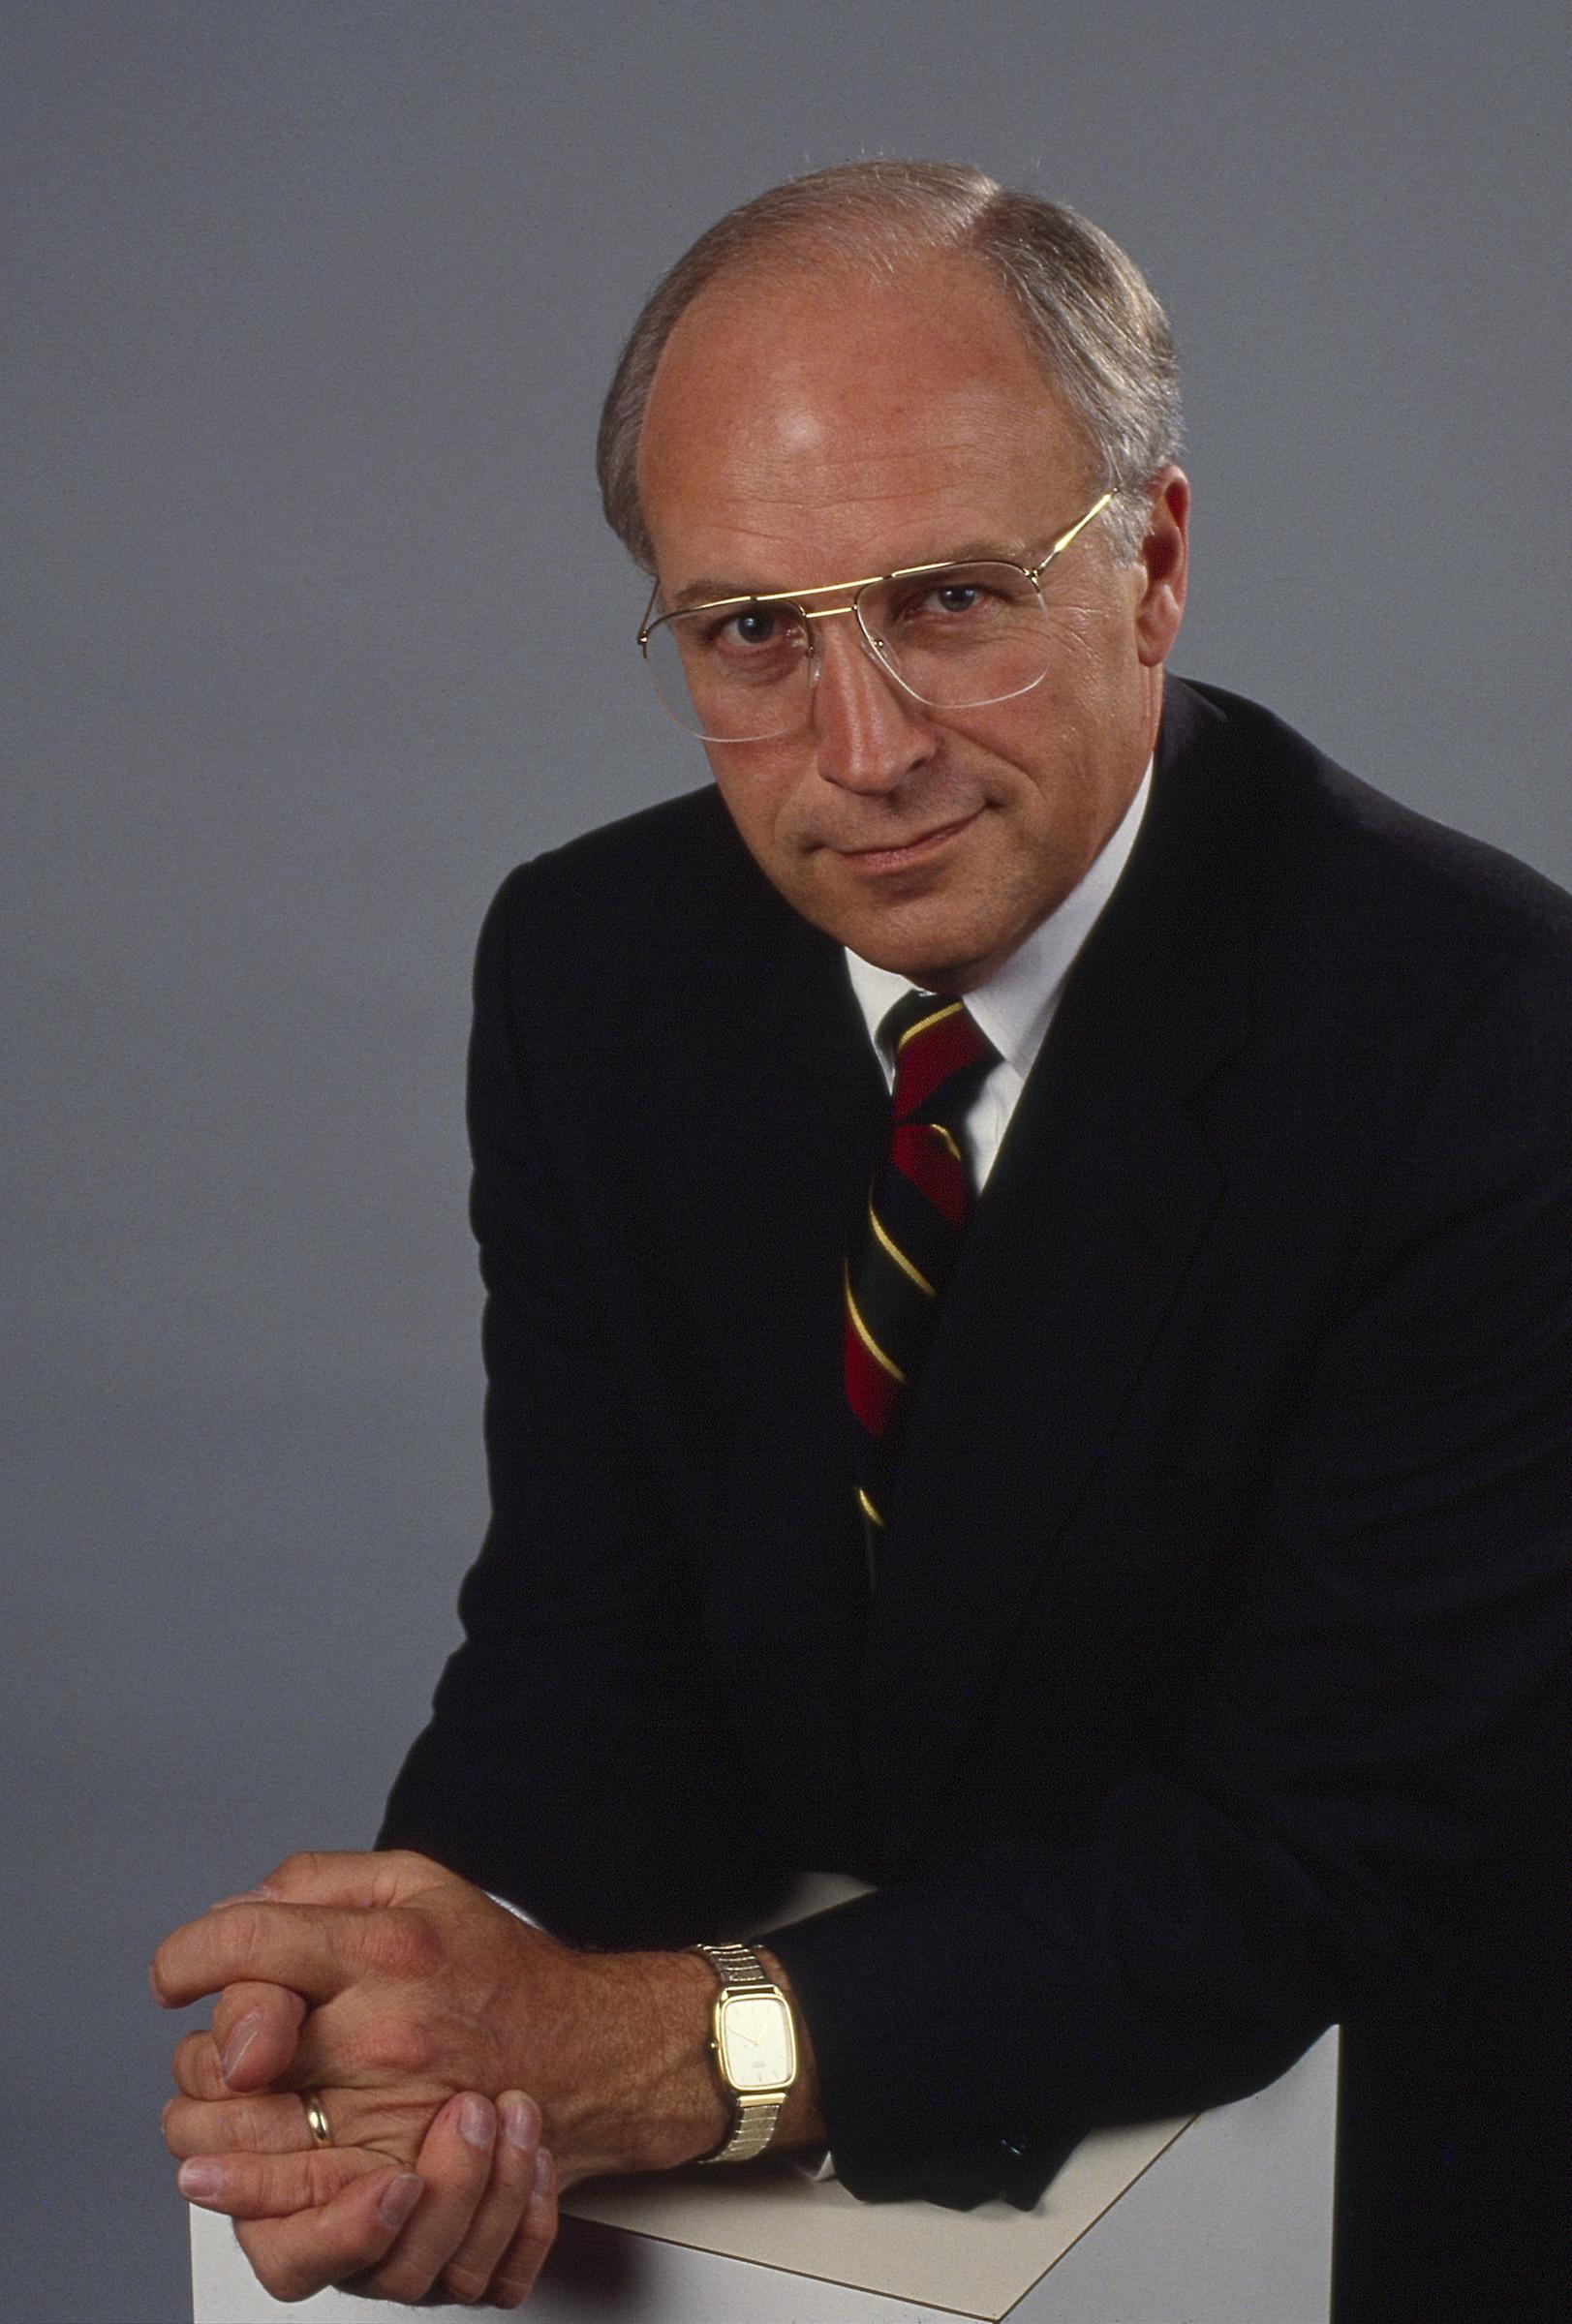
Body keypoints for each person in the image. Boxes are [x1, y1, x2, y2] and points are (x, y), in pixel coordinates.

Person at [154, 161, 1572, 2320]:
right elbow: (590, 1627)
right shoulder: (590, 966)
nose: (864, 751)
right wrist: (440, 2006)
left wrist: (662, 2051)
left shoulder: (1479, 1034)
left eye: (947, 601)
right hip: (886, 2118)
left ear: (1152, 570)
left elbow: (1302, 1861)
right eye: (752, 633)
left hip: (1381, 2157)